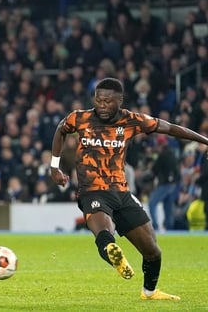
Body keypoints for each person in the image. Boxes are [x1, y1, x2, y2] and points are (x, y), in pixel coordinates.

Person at [49, 77, 208, 301]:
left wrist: (205, 141)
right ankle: (115, 255)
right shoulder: (80, 118)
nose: (102, 105)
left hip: (121, 193)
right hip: (92, 191)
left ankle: (149, 293)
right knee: (104, 233)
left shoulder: (132, 121)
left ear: (120, 101)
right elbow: (60, 129)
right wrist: (54, 166)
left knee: (153, 251)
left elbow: (171, 128)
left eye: (108, 101)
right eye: (98, 100)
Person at [148, 135, 180, 231]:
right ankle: (169, 227)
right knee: (168, 206)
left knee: (152, 203)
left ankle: (155, 225)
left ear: (160, 145)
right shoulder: (173, 154)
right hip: (172, 184)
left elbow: (154, 170)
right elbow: (177, 171)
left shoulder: (162, 155)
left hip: (164, 184)